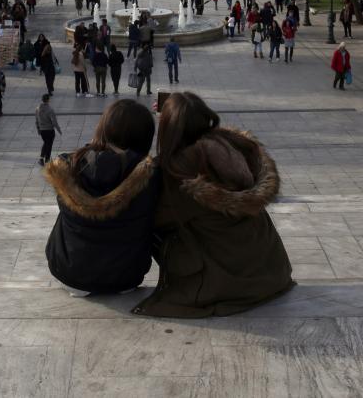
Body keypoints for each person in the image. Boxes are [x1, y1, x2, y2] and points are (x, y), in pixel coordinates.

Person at [132, 93, 293, 318]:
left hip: (229, 284)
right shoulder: (236, 147)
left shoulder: (180, 170)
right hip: (271, 271)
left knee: (148, 225)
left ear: (171, 131)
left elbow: (155, 218)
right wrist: (177, 115)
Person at [44, 100, 161, 296]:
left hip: (70, 273)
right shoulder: (151, 175)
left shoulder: (68, 167)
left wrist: (97, 145)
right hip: (127, 276)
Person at [35, 94, 62, 166]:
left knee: (46, 143)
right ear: (48, 100)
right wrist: (59, 130)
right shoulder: (50, 110)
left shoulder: (37, 109)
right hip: (49, 130)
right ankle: (47, 160)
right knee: (49, 145)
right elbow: (54, 122)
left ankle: (41, 158)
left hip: (42, 131)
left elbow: (36, 120)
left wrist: (38, 129)